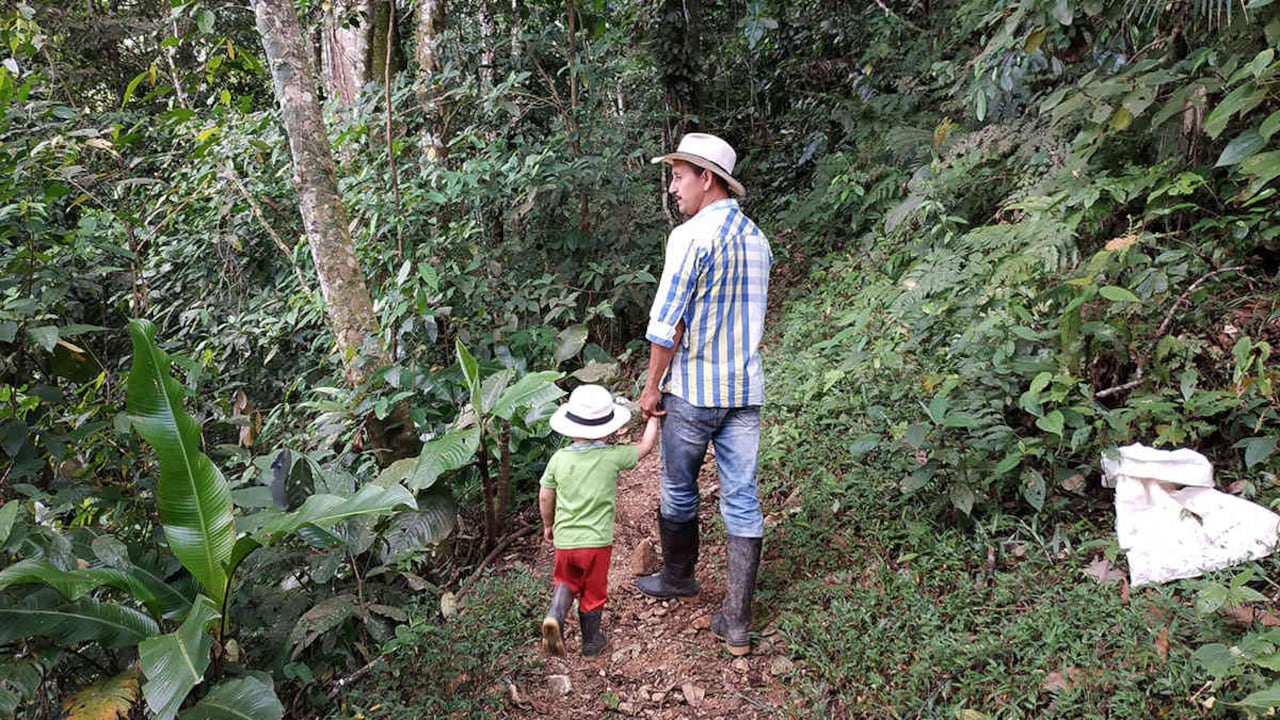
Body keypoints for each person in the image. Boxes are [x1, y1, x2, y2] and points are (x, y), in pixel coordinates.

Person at [635, 132, 772, 657]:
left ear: (705, 178)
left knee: (677, 487)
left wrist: (651, 388)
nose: (672, 188)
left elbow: (666, 325)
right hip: (745, 389)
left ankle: (678, 577)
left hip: (694, 390)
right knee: (741, 497)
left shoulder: (690, 237)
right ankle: (736, 623)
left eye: (677, 176)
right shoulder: (758, 240)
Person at [540, 384, 660, 658]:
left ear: (570, 426)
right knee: (593, 592)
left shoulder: (558, 459)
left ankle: (554, 615)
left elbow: (546, 495)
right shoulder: (611, 456)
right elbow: (645, 447)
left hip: (566, 540)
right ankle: (592, 641)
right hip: (597, 543)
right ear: (607, 429)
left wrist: (548, 525)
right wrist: (654, 418)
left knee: (567, 582)